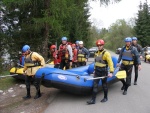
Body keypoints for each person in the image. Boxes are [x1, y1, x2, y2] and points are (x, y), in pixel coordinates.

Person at [87, 39, 114, 105]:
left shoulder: (106, 53)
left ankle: (105, 97)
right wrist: (94, 70)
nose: (99, 47)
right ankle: (93, 100)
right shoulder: (96, 53)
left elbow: (110, 63)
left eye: (100, 45)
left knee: (104, 85)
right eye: (98, 45)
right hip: (97, 71)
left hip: (103, 72)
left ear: (103, 45)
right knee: (95, 85)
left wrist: (111, 72)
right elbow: (95, 63)